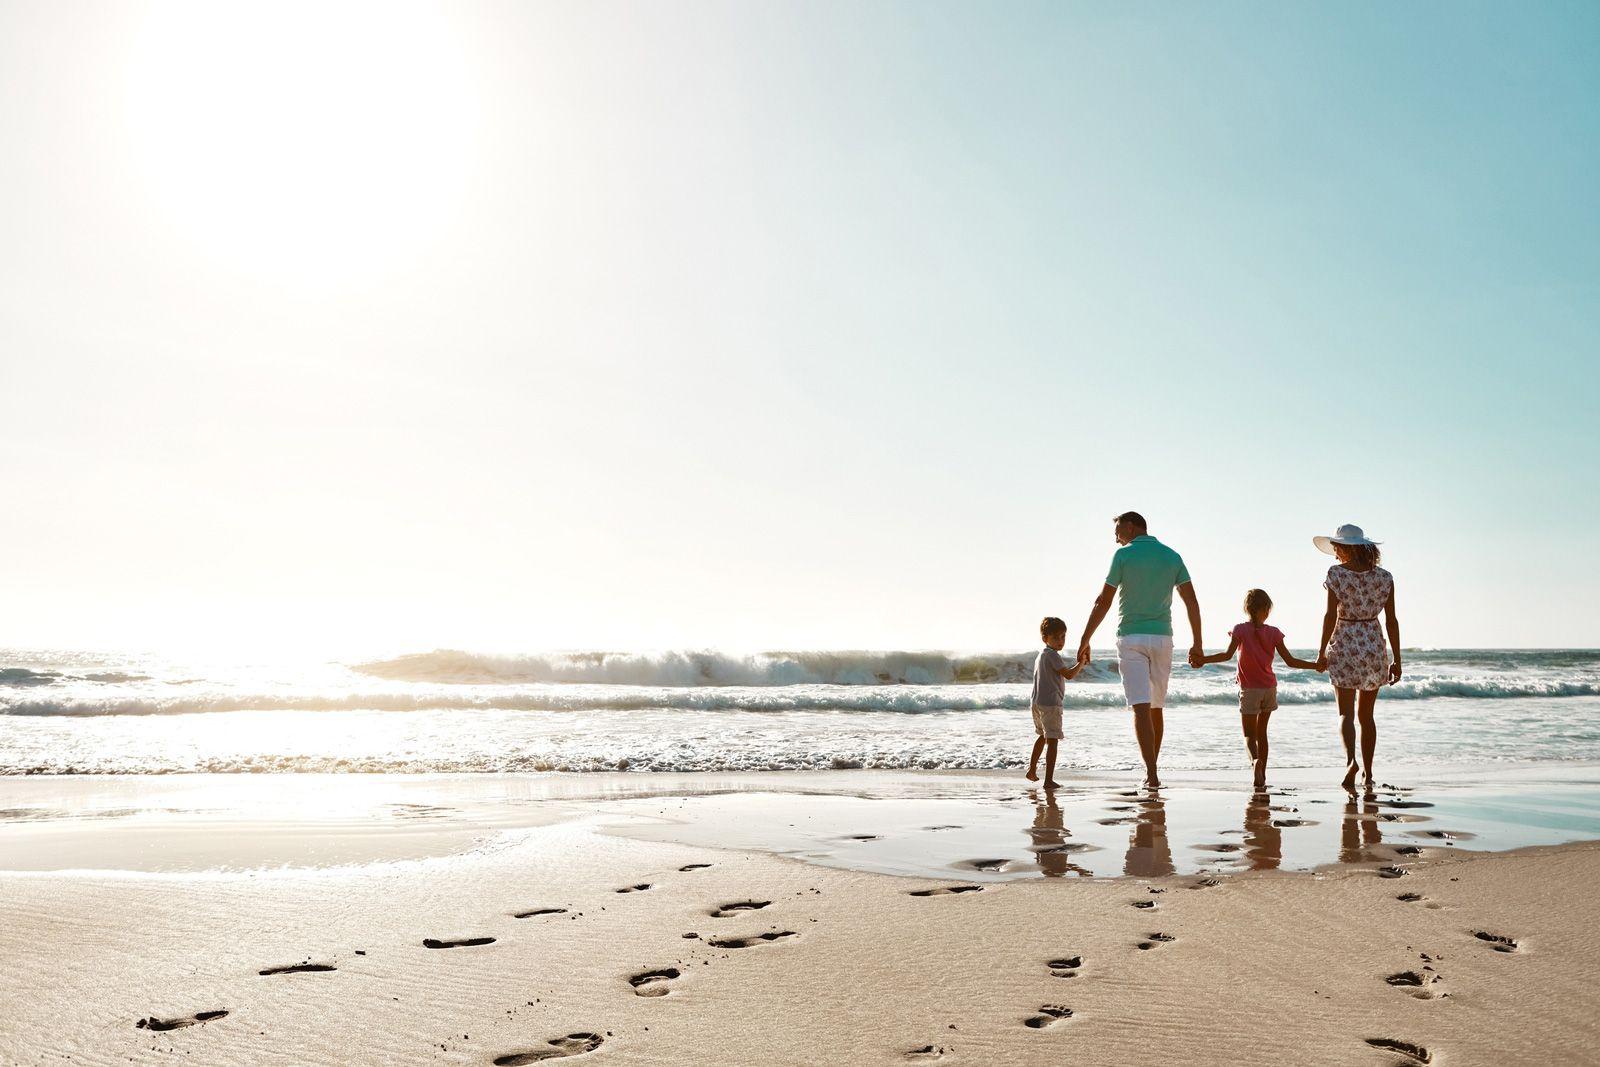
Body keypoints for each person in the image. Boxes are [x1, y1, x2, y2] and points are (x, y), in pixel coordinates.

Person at [1077, 512, 1203, 788]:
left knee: (1141, 708)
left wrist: (1085, 638)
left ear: (1132, 527)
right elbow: (1191, 600)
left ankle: (1152, 773)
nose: (1116, 537)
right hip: (1162, 640)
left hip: (1131, 637)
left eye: (1118, 530)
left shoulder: (1123, 556)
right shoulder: (1172, 556)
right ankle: (1152, 772)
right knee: (1155, 708)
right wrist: (1198, 642)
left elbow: (1104, 601)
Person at [1197, 588, 1320, 788]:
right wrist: (1315, 666)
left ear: (1247, 609)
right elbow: (1290, 661)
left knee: (1248, 735)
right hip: (1269, 688)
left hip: (1249, 689)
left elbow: (1227, 655)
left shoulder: (1240, 630)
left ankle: (1255, 762)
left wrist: (1203, 660)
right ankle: (1263, 773)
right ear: (1266, 610)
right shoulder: (1273, 633)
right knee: (1262, 733)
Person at [1312, 524, 1402, 793]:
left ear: (1344, 548)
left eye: (1337, 547)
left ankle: (1351, 761)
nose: (1335, 553)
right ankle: (1369, 773)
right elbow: (1392, 621)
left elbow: (1330, 616)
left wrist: (1320, 652)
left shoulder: (1336, 574)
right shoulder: (1385, 578)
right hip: (1373, 643)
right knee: (1367, 717)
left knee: (1345, 713)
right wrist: (1396, 659)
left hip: (1345, 642)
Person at [1028, 616, 1084, 789]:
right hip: (1051, 704)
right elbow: (1068, 674)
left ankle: (1031, 770)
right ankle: (1048, 780)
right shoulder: (1053, 655)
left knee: (1042, 736)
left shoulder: (1041, 655)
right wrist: (1081, 663)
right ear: (1045, 638)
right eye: (1056, 637)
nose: (1061, 641)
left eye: (1063, 637)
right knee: (1052, 740)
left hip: (1036, 703)